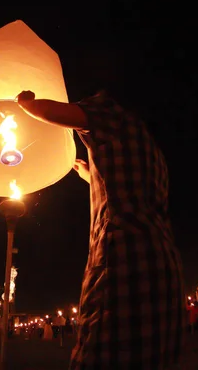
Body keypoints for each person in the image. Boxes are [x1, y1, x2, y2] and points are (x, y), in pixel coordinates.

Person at [17, 90, 184, 369]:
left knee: (101, 352)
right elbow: (127, 190)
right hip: (162, 261)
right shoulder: (153, 153)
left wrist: (28, 105)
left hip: (126, 259)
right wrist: (89, 174)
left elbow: (62, 113)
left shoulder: (113, 112)